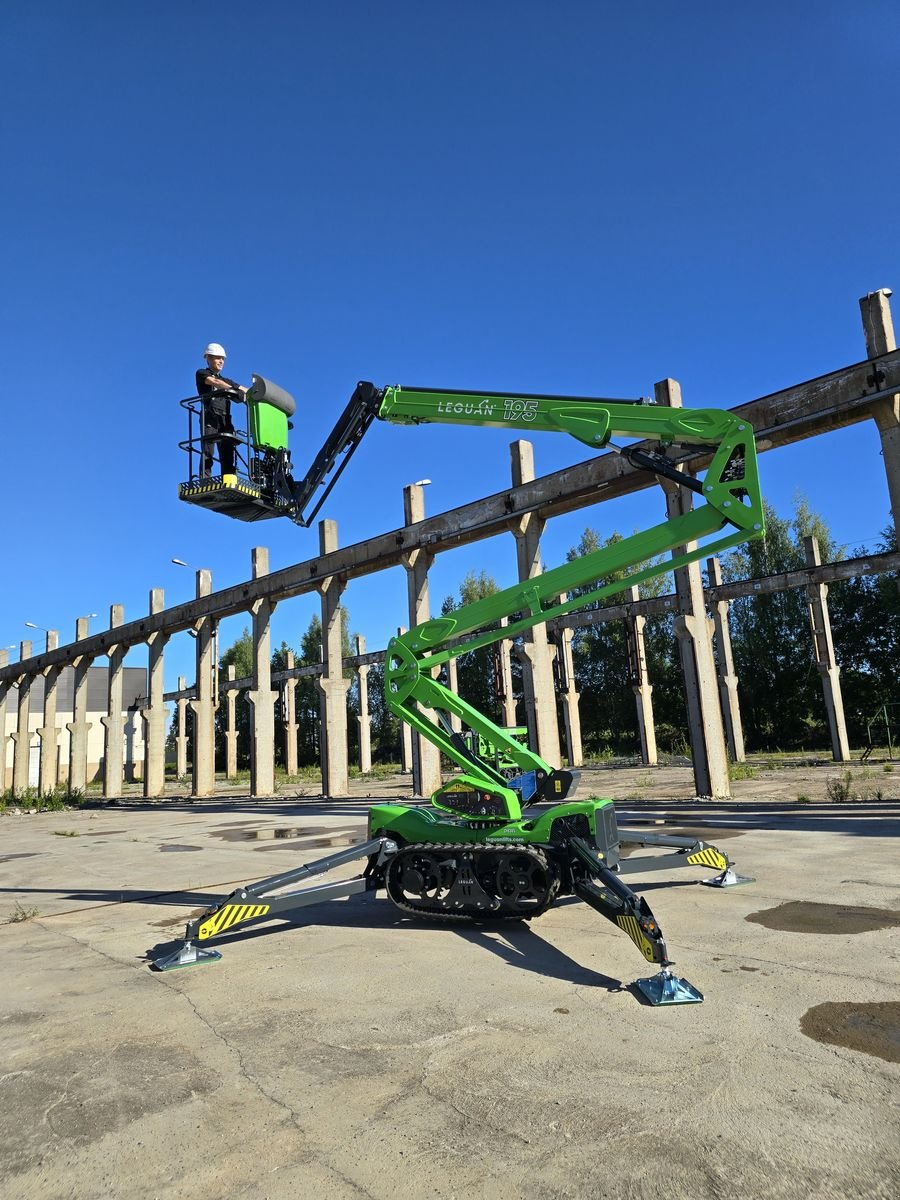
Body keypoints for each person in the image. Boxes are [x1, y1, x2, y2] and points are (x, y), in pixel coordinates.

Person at [195, 343, 248, 477]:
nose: (221, 361)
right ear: (209, 358)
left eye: (222, 359)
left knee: (227, 450)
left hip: (225, 419)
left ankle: (229, 479)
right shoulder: (202, 373)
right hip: (210, 416)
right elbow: (216, 383)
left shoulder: (226, 379)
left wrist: (257, 394)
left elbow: (243, 389)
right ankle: (205, 479)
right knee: (208, 450)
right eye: (218, 358)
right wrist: (233, 391)